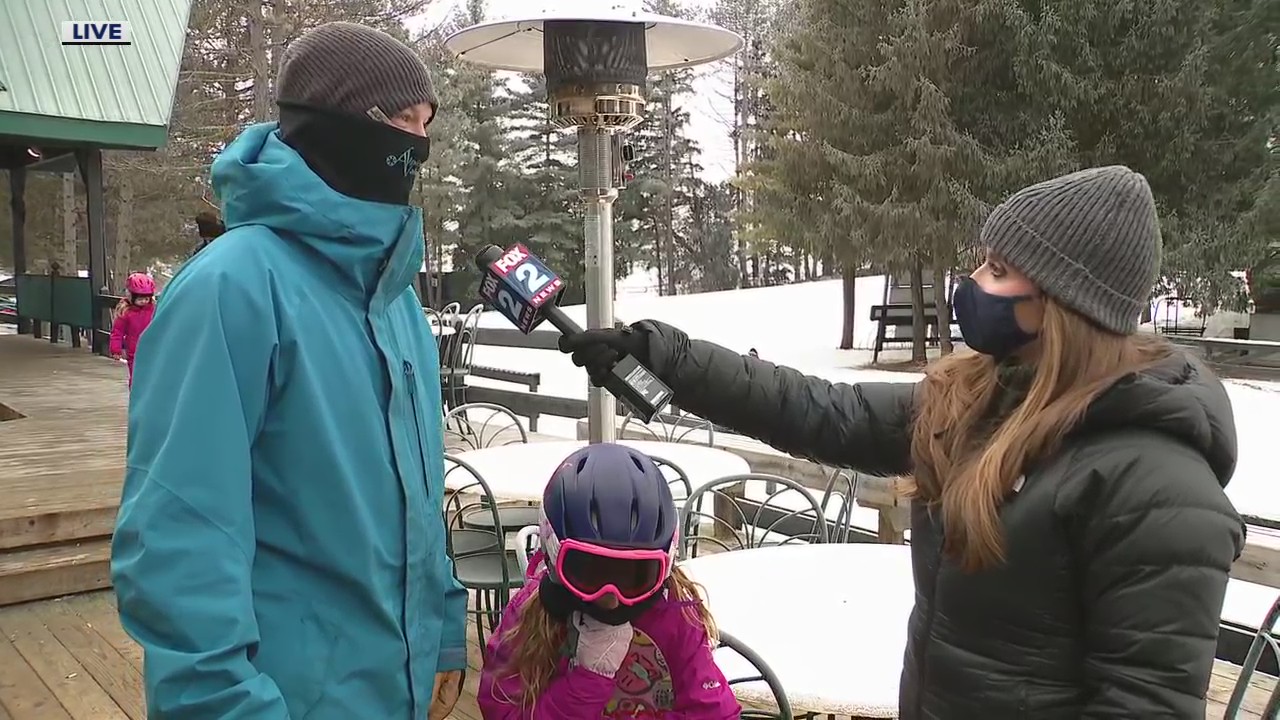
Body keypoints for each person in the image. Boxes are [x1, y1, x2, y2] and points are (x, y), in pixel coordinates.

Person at [560, 166, 1245, 718]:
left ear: (1064, 302)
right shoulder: (979, 401)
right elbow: (819, 410)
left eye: (998, 269)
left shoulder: (1157, 489)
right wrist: (666, 359)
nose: (973, 283)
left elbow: (1147, 704)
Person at [111, 22, 467, 720]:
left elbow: (419, 505)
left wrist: (443, 638)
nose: (418, 145)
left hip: (393, 686)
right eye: (403, 120)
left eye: (427, 124)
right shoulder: (232, 287)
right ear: (335, 124)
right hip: (285, 698)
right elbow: (178, 535)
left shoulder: (394, 300)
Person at [479, 443, 740, 719]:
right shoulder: (532, 613)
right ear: (554, 556)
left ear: (664, 567)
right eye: (592, 573)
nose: (611, 600)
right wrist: (586, 681)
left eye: (634, 576)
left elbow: (716, 713)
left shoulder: (675, 616)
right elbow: (501, 710)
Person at [109, 272, 156, 387]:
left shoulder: (154, 310)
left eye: (146, 298)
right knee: (136, 378)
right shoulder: (125, 312)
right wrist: (116, 349)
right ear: (131, 296)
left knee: (153, 376)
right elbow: (117, 332)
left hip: (153, 349)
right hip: (134, 351)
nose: (144, 301)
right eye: (140, 299)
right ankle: (135, 396)